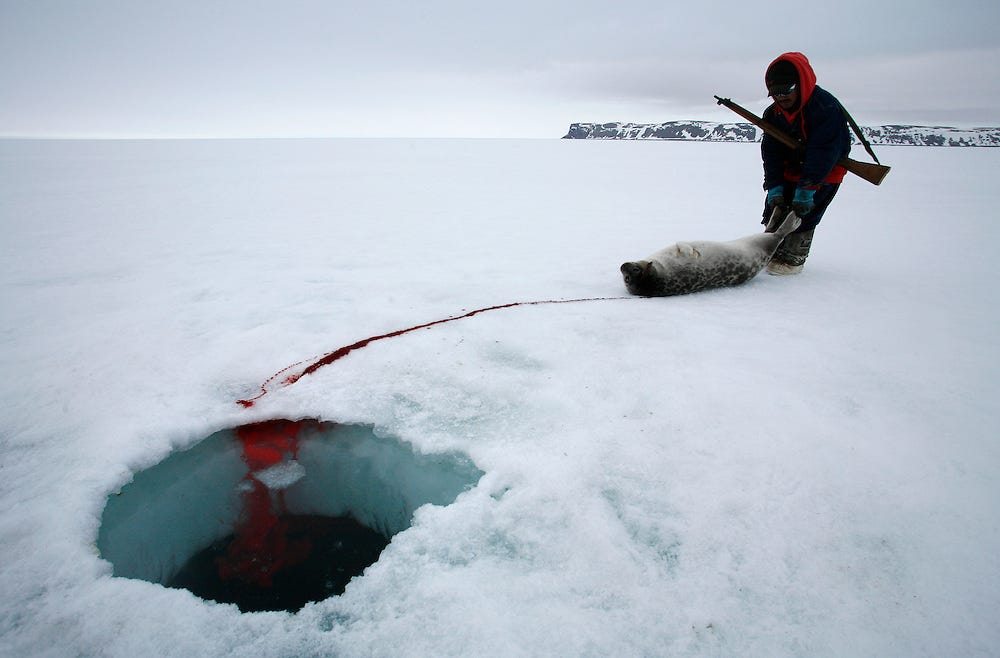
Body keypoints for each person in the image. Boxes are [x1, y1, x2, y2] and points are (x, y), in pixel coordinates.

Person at [760, 52, 852, 275]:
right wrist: (774, 186)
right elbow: (771, 153)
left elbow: (824, 152)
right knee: (775, 213)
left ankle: (793, 260)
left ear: (801, 84)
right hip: (788, 171)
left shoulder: (825, 108)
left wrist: (807, 189)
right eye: (775, 92)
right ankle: (768, 252)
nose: (781, 97)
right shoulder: (773, 114)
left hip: (823, 173)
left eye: (787, 90)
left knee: (803, 216)